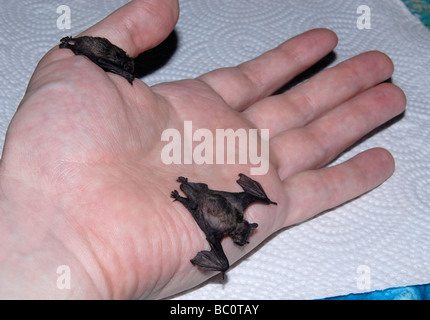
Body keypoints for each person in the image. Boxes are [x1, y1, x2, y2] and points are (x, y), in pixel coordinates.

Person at [0, 0, 405, 299]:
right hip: (201, 195)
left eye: (242, 233)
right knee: (213, 226)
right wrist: (73, 248)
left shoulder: (237, 211)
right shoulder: (242, 205)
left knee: (212, 225)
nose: (244, 234)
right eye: (244, 233)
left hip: (201, 198)